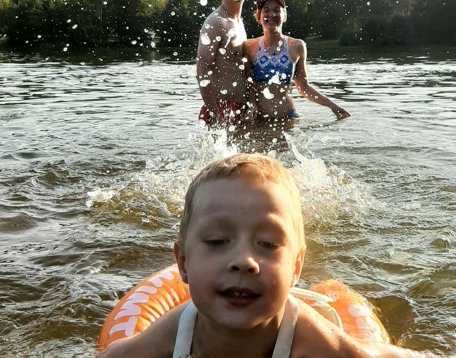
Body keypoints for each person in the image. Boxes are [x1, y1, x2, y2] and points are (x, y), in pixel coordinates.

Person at [98, 153, 438, 358]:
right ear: (183, 263)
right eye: (217, 241)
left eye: (269, 244)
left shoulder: (313, 342)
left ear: (296, 267)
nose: (244, 260)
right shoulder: (170, 337)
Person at [243, 0, 350, 121]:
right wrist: (251, 104)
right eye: (266, 11)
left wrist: (331, 105)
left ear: (284, 16)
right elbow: (247, 84)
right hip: (259, 119)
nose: (271, 14)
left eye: (277, 10)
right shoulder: (249, 46)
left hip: (289, 118)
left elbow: (303, 88)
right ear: (258, 17)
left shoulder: (297, 46)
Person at [196, 0, 250, 127]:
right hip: (221, 110)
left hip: (240, 110)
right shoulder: (215, 23)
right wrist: (216, 115)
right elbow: (202, 73)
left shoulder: (238, 22)